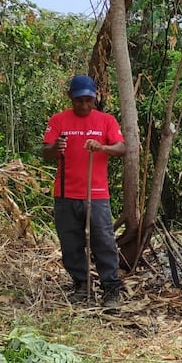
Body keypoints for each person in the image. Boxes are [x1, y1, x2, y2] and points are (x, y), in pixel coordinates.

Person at [41, 74, 127, 308]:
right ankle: (82, 285)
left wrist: (102, 147)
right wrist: (56, 148)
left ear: (95, 97)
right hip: (65, 193)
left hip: (96, 194)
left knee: (104, 241)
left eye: (89, 100)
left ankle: (111, 289)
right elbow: (46, 152)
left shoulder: (106, 121)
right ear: (70, 97)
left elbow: (121, 148)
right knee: (70, 243)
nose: (84, 105)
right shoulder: (58, 120)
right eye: (79, 100)